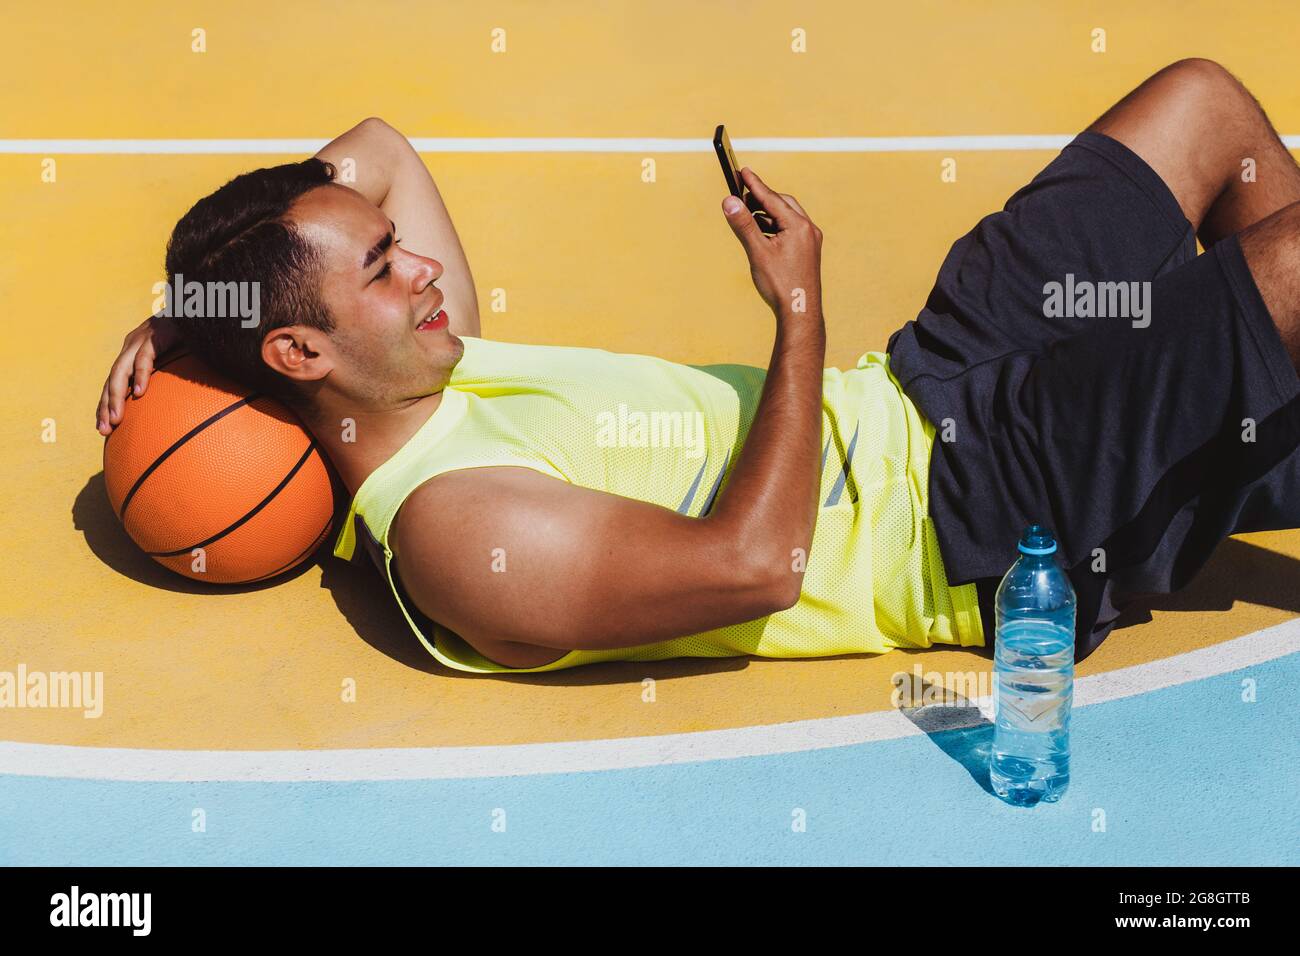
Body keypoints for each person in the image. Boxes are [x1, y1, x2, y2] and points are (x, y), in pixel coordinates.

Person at [95, 58, 1300, 673]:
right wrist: (797, 312)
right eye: (378, 268)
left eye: (394, 248)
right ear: (302, 350)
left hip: (927, 380)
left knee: (1199, 107)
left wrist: (190, 308)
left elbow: (377, 149)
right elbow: (757, 566)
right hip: (974, 514)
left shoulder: (415, 361)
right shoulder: (458, 530)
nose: (417, 267)